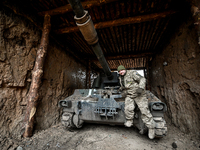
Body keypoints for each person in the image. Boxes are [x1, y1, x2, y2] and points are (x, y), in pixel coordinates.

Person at [117, 65, 155, 139]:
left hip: (139, 94)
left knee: (144, 111)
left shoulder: (132, 73)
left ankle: (151, 128)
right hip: (129, 95)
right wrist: (120, 89)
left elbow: (142, 79)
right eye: (119, 71)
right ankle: (129, 120)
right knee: (127, 108)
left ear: (124, 69)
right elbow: (125, 85)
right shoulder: (120, 77)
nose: (120, 72)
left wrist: (140, 88)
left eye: (121, 70)